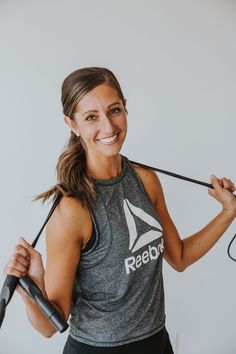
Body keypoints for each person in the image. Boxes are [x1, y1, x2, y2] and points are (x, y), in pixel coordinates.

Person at [4, 67, 236, 354]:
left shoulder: (146, 180)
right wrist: (32, 288)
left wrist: (228, 212)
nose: (108, 127)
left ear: (125, 108)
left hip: (156, 343)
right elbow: (51, 327)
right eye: (91, 117)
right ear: (72, 124)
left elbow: (179, 257)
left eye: (114, 110)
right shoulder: (72, 209)